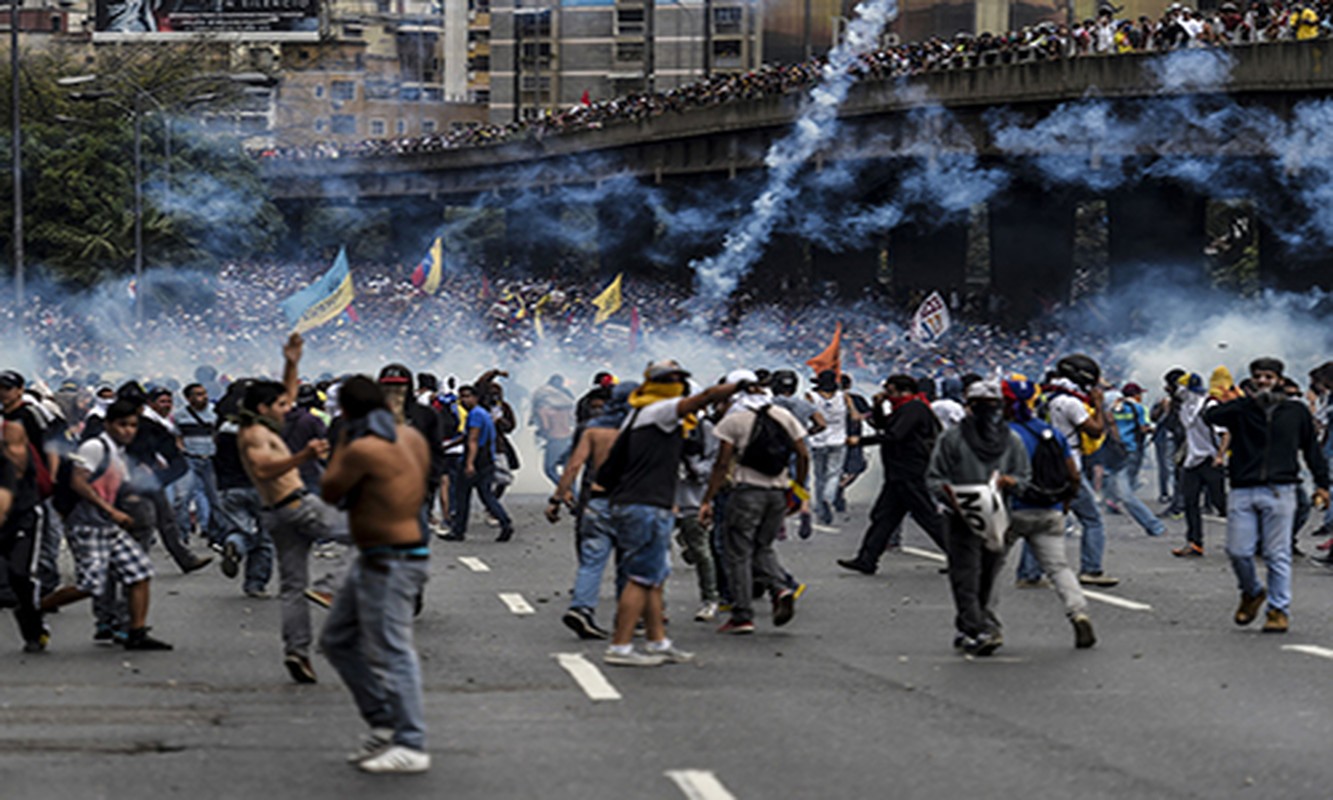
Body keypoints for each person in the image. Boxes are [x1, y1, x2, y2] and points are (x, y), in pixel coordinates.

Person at [319, 376, 432, 774]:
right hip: (384, 555)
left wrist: (343, 441)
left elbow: (331, 490)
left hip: (389, 559)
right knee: (336, 640)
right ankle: (383, 720)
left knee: (392, 651)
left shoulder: (362, 448)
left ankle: (411, 742)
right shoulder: (411, 438)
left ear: (347, 412)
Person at [601, 360, 741, 666]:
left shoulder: (638, 414)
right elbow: (704, 398)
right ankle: (620, 647)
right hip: (645, 505)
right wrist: (740, 387)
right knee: (640, 578)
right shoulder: (658, 410)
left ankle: (657, 641)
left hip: (646, 503)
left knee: (654, 577)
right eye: (670, 379)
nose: (675, 384)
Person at [238, 333, 340, 684]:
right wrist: (304, 456)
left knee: (293, 587)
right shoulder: (253, 435)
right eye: (281, 405)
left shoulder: (265, 423)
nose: (289, 408)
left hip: (277, 515)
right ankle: (332, 584)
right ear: (264, 409)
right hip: (297, 506)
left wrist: (292, 363)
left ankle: (297, 652)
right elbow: (265, 469)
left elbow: (287, 394)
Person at [1205, 358, 1330, 633]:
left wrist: (1323, 484)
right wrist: (1241, 400)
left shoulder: (1296, 411)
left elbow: (1311, 449)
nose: (1263, 381)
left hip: (1281, 490)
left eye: (1269, 377)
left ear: (1280, 380)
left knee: (1277, 554)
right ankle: (1251, 592)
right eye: (1258, 377)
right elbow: (1210, 416)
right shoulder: (1241, 410)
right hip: (1242, 489)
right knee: (1238, 551)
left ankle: (1278, 610)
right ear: (1251, 381)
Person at [41, 400, 172, 651]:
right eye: (122, 425)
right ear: (108, 424)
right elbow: (79, 482)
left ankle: (136, 632)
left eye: (133, 425)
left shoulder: (117, 450)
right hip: (87, 524)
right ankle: (34, 608)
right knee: (90, 585)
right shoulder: (94, 446)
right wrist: (110, 510)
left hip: (108, 526)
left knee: (140, 573)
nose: (128, 430)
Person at [926, 380, 1030, 656]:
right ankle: (977, 628)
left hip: (997, 516)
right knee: (965, 574)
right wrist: (955, 498)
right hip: (961, 516)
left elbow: (1023, 478)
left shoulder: (1011, 441)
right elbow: (935, 478)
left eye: (993, 406)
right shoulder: (951, 439)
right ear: (969, 408)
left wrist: (1008, 482)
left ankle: (970, 624)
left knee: (987, 574)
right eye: (982, 406)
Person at [701, 371, 808, 634]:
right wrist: (799, 489)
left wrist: (708, 499)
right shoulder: (783, 416)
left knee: (738, 552)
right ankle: (781, 588)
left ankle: (742, 615)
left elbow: (722, 463)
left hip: (746, 492)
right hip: (778, 493)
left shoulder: (734, 421)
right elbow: (803, 454)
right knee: (764, 547)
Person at [1003, 379, 1096, 649]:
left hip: (1011, 511)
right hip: (1049, 509)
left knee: (987, 568)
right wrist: (1064, 504)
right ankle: (1078, 612)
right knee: (1059, 568)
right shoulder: (1049, 432)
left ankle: (983, 625)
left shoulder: (1001, 434)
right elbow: (1073, 475)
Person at [545, 382, 638, 640]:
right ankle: (630, 618)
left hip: (597, 502)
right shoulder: (640, 429)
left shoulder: (593, 429)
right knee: (628, 563)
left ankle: (582, 608)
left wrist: (556, 499)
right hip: (631, 502)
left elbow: (574, 466)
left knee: (592, 561)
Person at [837, 375, 946, 573]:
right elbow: (883, 425)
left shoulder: (914, 408)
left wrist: (859, 441)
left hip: (909, 470)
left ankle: (964, 557)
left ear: (899, 389)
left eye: (889, 390)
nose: (886, 393)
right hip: (898, 472)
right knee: (883, 516)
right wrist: (878, 406)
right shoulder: (903, 409)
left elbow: (895, 435)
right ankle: (867, 559)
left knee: (927, 517)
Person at [0, 414, 48, 651]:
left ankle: (34, 631)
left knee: (20, 575)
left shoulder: (11, 432)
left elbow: (15, 472)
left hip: (20, 514)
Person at [1172, 372, 1229, 557]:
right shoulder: (1185, 408)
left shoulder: (1209, 405)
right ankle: (1194, 542)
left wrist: (1220, 456)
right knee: (1190, 502)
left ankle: (1252, 538)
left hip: (1210, 460)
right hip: (1192, 461)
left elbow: (1226, 433)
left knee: (1221, 504)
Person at [447, 384, 513, 542]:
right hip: (487, 460)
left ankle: (458, 531)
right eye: (461, 396)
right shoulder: (483, 414)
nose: (464, 400)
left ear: (476, 398)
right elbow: (467, 436)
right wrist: (447, 446)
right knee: (486, 495)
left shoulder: (475, 415)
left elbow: (473, 440)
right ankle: (505, 522)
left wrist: (469, 463)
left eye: (468, 396)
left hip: (476, 460)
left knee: (462, 496)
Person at [172, 382, 219, 542]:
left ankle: (215, 533)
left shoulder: (215, 413)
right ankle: (182, 534)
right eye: (198, 394)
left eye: (204, 393)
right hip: (190, 459)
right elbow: (178, 436)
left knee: (216, 499)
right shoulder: (180, 415)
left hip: (211, 459)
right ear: (188, 398)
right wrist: (183, 451)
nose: (203, 397)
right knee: (183, 498)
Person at [532, 374, 576, 489]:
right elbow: (573, 420)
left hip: (555, 439)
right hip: (569, 438)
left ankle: (566, 490)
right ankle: (574, 496)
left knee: (550, 469)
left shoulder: (544, 409)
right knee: (568, 470)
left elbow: (546, 427)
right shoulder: (566, 406)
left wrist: (540, 434)